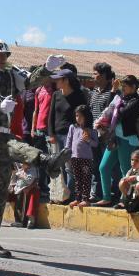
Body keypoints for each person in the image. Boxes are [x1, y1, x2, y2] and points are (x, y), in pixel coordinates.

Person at [0, 37, 69, 258]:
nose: (3, 58)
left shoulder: (11, 74)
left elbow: (29, 81)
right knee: (8, 145)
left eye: (5, 55)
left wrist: (46, 68)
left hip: (2, 133)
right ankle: (45, 160)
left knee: (0, 188)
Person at [95, 75, 139, 207]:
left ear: (133, 87)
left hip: (127, 140)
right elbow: (108, 108)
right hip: (114, 138)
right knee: (103, 167)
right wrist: (113, 93)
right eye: (122, 86)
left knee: (125, 170)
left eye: (125, 86)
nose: (123, 89)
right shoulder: (120, 98)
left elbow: (122, 113)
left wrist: (116, 103)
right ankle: (106, 197)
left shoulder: (137, 101)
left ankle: (125, 200)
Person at [47, 69, 86, 204]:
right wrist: (51, 134)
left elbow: (83, 115)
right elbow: (51, 115)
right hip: (56, 135)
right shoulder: (56, 94)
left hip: (72, 136)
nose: (56, 81)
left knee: (70, 167)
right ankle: (58, 194)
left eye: (59, 79)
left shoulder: (79, 95)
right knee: (56, 166)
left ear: (66, 80)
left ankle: (70, 195)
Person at [88, 62, 117, 201]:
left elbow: (110, 110)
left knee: (110, 166)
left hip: (108, 135)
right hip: (94, 134)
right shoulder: (93, 92)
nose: (93, 76)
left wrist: (112, 92)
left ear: (104, 76)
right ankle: (96, 193)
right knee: (95, 164)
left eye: (95, 74)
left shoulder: (114, 92)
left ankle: (114, 193)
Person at [66, 104, 98, 208]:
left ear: (86, 116)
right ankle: (78, 198)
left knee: (86, 179)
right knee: (77, 179)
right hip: (74, 158)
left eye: (80, 116)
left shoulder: (91, 130)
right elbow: (69, 142)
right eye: (76, 116)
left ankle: (86, 199)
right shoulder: (73, 127)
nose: (78, 118)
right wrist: (67, 154)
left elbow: (95, 144)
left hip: (86, 159)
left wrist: (88, 139)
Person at [9, 162, 39, 229]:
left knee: (22, 205)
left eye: (23, 163)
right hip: (18, 188)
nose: (21, 164)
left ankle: (21, 221)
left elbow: (30, 181)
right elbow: (14, 179)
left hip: (25, 189)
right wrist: (12, 185)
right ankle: (17, 220)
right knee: (17, 205)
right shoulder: (20, 169)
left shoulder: (32, 170)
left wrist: (22, 175)